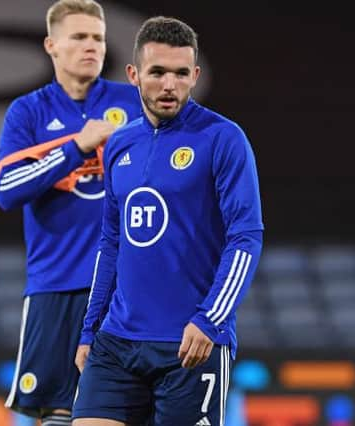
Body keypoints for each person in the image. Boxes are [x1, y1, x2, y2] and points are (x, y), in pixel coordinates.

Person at [72, 16, 264, 426]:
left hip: (189, 343)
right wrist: (90, 328)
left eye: (180, 73)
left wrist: (211, 318)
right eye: (157, 72)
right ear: (134, 74)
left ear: (194, 75)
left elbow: (246, 237)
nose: (169, 84)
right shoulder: (121, 145)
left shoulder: (223, 139)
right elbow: (111, 242)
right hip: (117, 340)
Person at [0, 0, 141, 424]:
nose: (91, 46)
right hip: (56, 283)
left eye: (97, 37)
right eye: (79, 37)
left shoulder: (132, 103)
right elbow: (7, 189)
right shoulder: (28, 111)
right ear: (51, 45)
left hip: (124, 287)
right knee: (57, 412)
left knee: (127, 408)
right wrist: (76, 147)